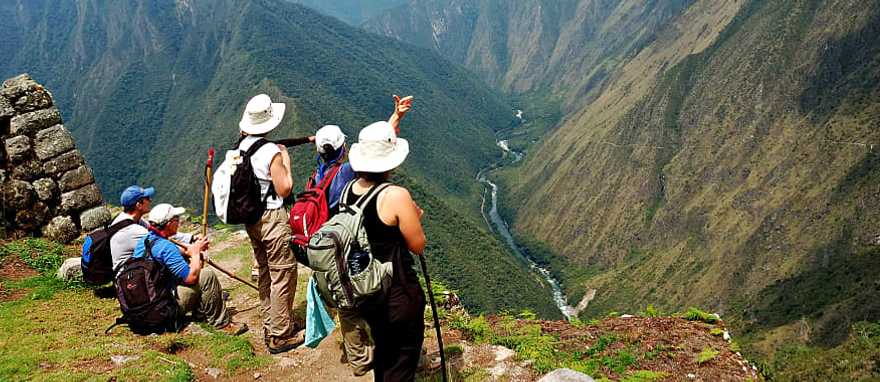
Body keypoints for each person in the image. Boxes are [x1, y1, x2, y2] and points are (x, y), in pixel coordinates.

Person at [310, 96, 414, 376]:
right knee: (370, 306)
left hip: (338, 253)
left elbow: (374, 152)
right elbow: (377, 157)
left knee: (349, 308)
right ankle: (382, 356)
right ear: (343, 149)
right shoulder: (347, 174)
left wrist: (395, 119)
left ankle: (359, 360)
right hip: (364, 256)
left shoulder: (322, 175)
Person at [347, 120, 427, 382]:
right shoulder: (395, 195)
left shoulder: (348, 191)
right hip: (397, 294)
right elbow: (418, 245)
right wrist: (416, 217)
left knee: (385, 352)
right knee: (401, 362)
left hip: (367, 292)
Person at [237, 93, 304, 353]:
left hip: (251, 219)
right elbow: (285, 188)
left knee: (265, 271)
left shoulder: (240, 147)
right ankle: (280, 335)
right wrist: (285, 159)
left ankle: (272, 323)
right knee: (283, 273)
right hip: (272, 218)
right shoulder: (270, 152)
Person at [132, 203, 247, 335]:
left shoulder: (145, 241)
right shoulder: (165, 247)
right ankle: (221, 324)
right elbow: (191, 278)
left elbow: (171, 253)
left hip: (146, 306)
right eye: (176, 220)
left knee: (189, 265)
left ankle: (201, 313)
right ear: (169, 223)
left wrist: (191, 250)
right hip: (163, 310)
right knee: (206, 275)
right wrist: (196, 254)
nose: (179, 223)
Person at [110, 185, 193, 275]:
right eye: (147, 198)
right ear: (139, 205)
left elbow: (159, 230)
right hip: (131, 277)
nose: (150, 200)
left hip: (136, 267)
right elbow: (163, 246)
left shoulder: (129, 219)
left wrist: (191, 238)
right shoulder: (133, 231)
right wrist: (192, 250)